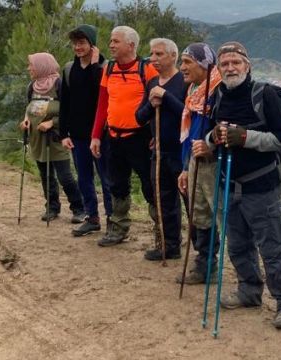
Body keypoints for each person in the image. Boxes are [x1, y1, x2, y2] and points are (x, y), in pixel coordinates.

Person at [208, 41, 281, 329]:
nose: (230, 68)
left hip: (261, 187)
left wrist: (246, 137)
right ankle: (249, 291)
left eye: (236, 62)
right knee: (237, 246)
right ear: (219, 69)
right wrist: (214, 138)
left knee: (273, 250)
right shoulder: (218, 95)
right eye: (225, 64)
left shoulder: (265, 94)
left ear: (247, 65)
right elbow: (211, 136)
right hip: (228, 183)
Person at [90, 26, 159, 247]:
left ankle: (163, 232)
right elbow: (102, 104)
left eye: (115, 41)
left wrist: (157, 134)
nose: (110, 45)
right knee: (116, 184)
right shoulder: (108, 68)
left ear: (131, 45)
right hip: (113, 137)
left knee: (150, 185)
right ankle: (118, 228)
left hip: (140, 137)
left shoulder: (147, 69)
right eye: (111, 41)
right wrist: (96, 136)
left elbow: (159, 105)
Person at [175, 43, 222, 284]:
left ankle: (242, 273)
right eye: (182, 62)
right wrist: (185, 167)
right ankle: (205, 266)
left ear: (204, 64)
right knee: (200, 214)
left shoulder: (218, 91)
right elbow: (189, 133)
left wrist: (210, 147)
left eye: (187, 62)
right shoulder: (195, 90)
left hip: (214, 164)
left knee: (220, 216)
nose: (182, 67)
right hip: (194, 161)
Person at [136, 38, 187, 260]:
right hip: (159, 151)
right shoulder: (152, 83)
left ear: (173, 56)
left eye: (159, 54)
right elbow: (139, 117)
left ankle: (203, 253)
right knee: (164, 201)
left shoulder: (184, 82)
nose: (153, 59)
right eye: (152, 54)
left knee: (190, 202)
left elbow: (188, 114)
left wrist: (165, 97)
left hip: (181, 152)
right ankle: (170, 246)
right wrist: (151, 104)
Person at [59, 24, 112, 237]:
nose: (77, 47)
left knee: (106, 178)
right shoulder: (69, 69)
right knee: (84, 177)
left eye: (82, 43)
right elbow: (65, 102)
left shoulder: (104, 67)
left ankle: (113, 220)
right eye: (75, 43)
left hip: (101, 134)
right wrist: (63, 133)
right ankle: (92, 217)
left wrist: (93, 65)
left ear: (92, 44)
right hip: (78, 134)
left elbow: (99, 93)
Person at [20, 52, 85, 223]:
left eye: (31, 66)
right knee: (45, 175)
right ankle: (52, 207)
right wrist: (26, 120)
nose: (29, 69)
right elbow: (29, 107)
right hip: (37, 138)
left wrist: (52, 122)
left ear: (42, 66)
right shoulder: (32, 86)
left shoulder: (59, 84)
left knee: (65, 176)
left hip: (56, 137)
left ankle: (79, 208)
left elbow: (70, 111)